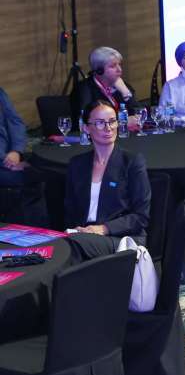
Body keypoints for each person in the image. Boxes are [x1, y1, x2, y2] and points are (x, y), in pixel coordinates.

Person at [64, 99, 151, 263]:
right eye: (100, 123)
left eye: (112, 121)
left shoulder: (132, 162)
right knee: (58, 244)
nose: (108, 127)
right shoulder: (77, 164)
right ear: (86, 128)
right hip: (84, 235)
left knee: (70, 246)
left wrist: (103, 229)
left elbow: (141, 217)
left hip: (122, 238)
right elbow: (70, 210)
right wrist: (78, 229)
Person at [70, 47, 141, 128]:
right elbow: (85, 122)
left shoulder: (122, 85)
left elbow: (139, 114)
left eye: (119, 64)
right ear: (99, 70)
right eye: (113, 66)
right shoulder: (84, 89)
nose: (119, 69)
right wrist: (122, 122)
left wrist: (125, 92)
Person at [0, 86, 27, 188]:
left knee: (44, 170)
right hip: (3, 160)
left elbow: (15, 122)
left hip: (8, 155)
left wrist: (16, 150)